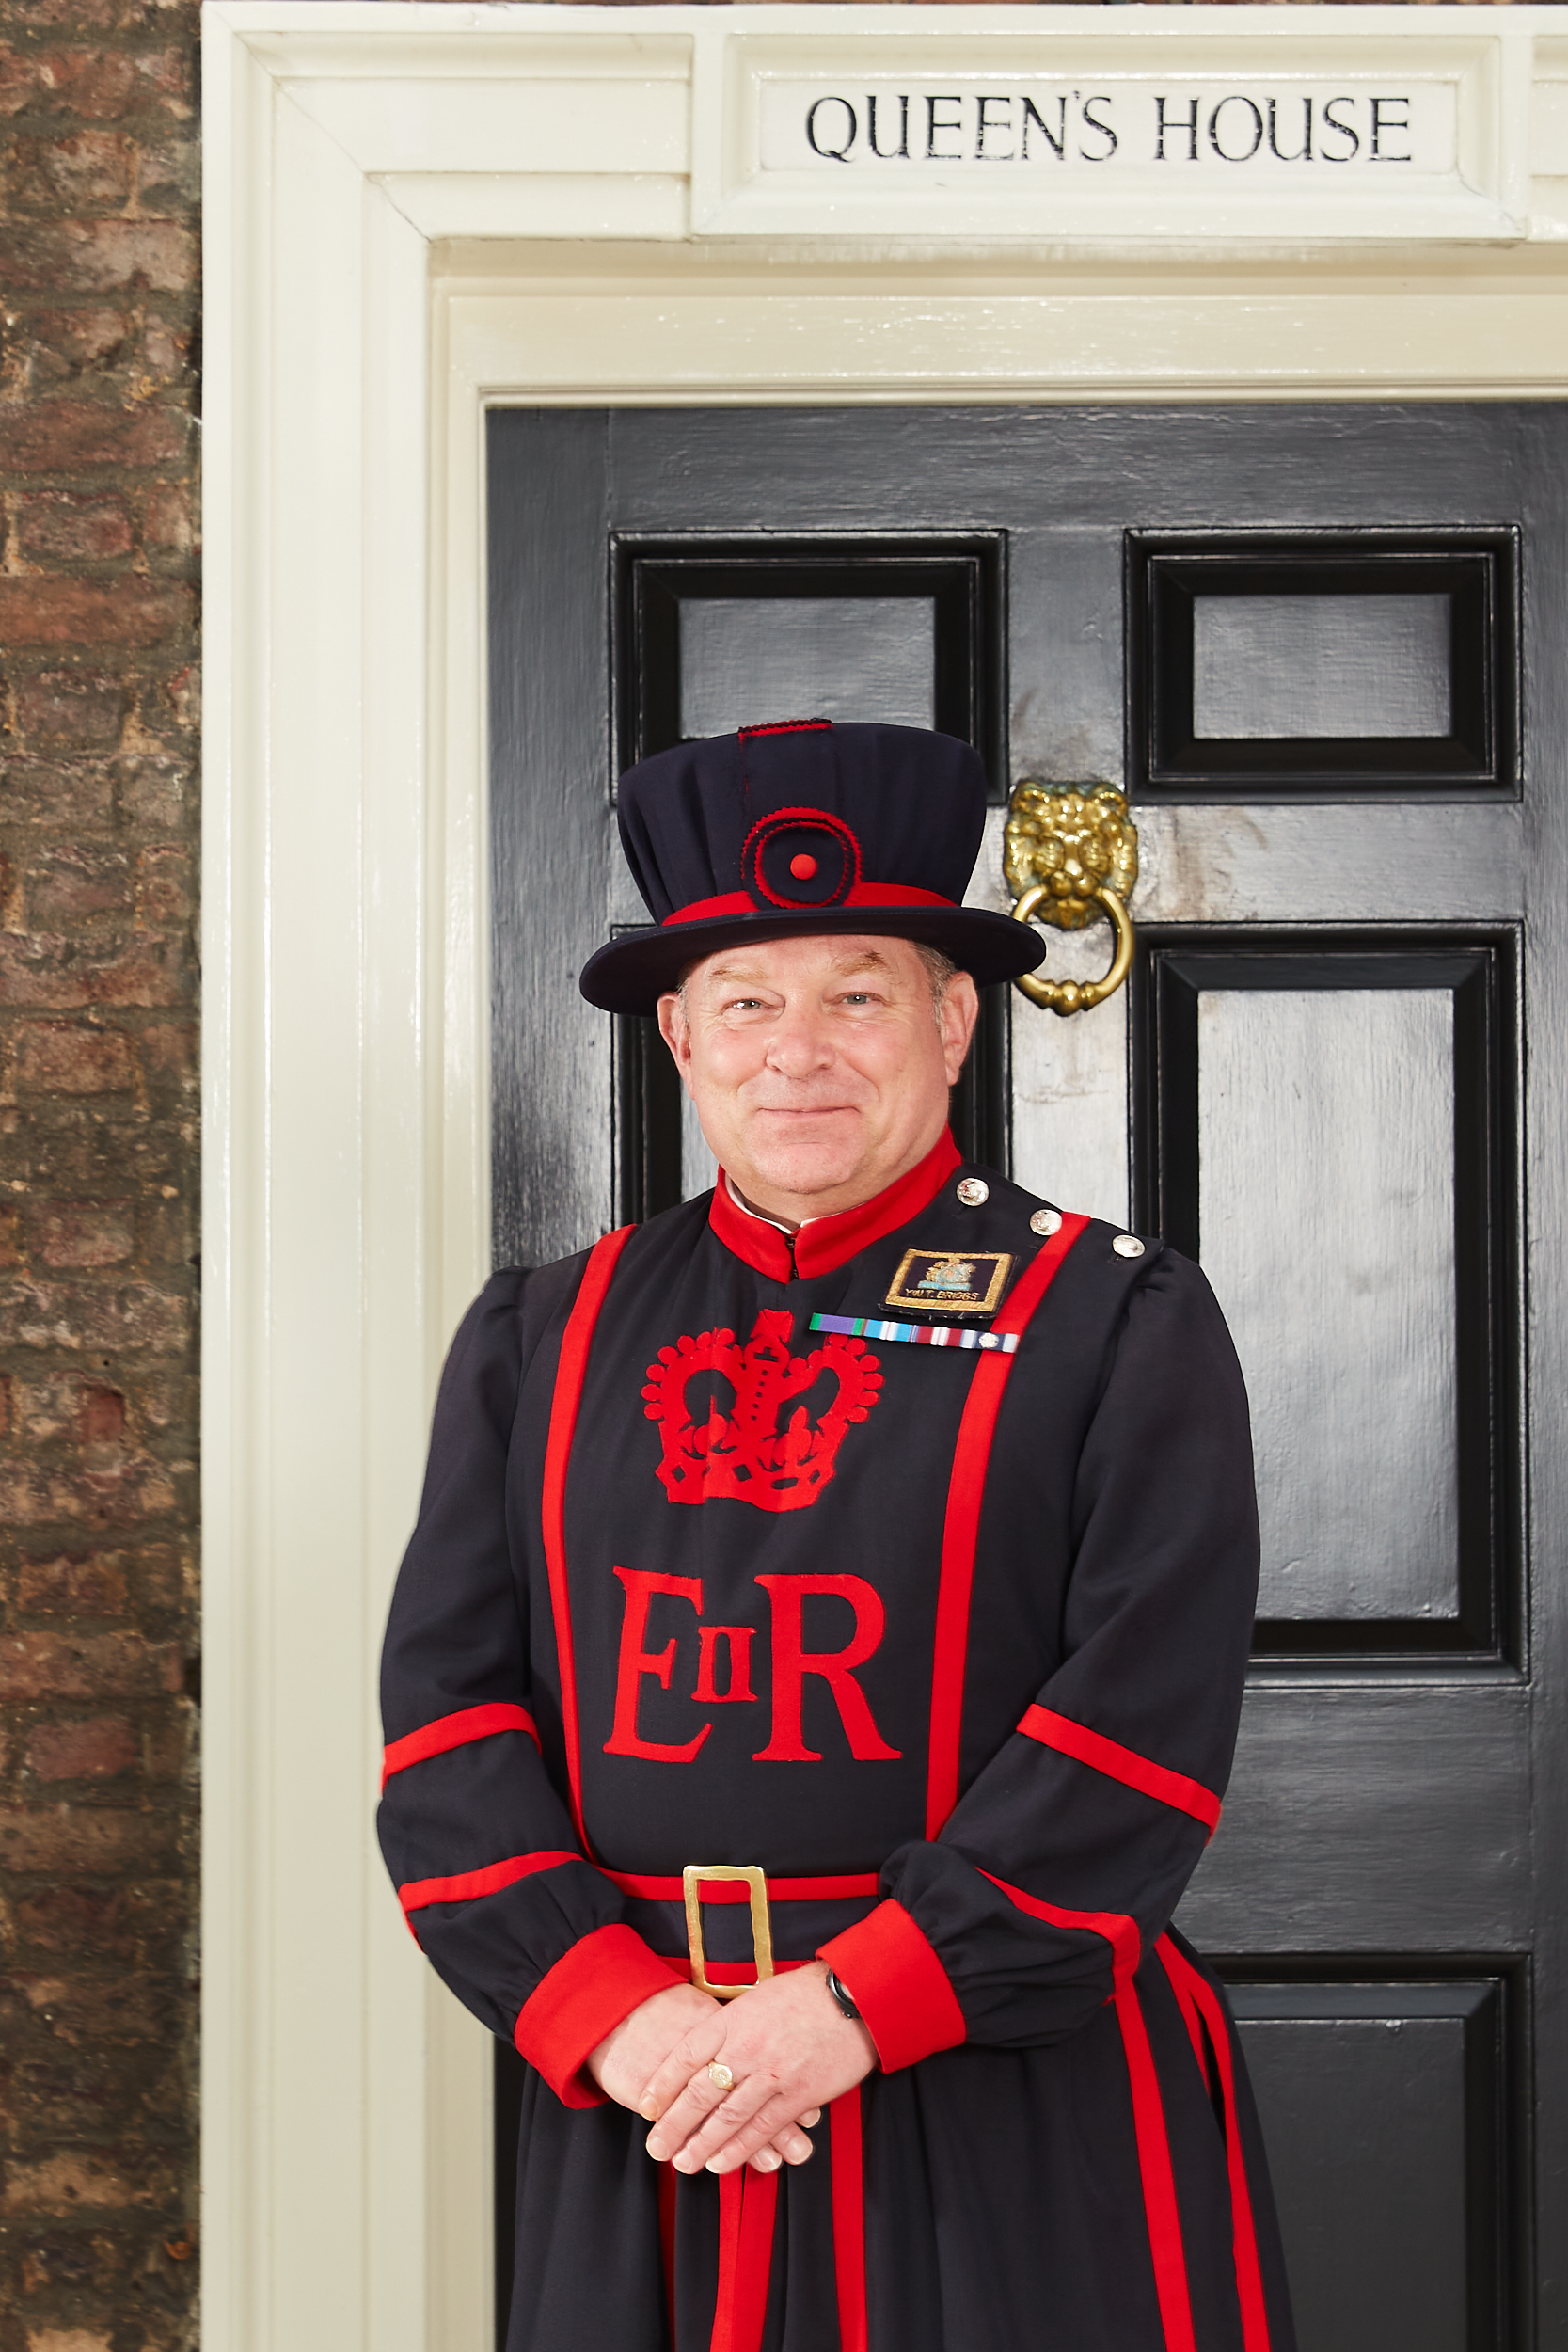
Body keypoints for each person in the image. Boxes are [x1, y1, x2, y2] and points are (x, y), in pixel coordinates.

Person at [377, 720, 1296, 2352]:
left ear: (952, 1021)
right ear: (677, 1032)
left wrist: (864, 2002)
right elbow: (449, 1735)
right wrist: (619, 2017)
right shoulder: (543, 1336)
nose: (798, 1048)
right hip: (651, 2091)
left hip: (1004, 2082)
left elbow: (1138, 1734)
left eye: (858, 993)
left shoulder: (1115, 1321)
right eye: (748, 999)